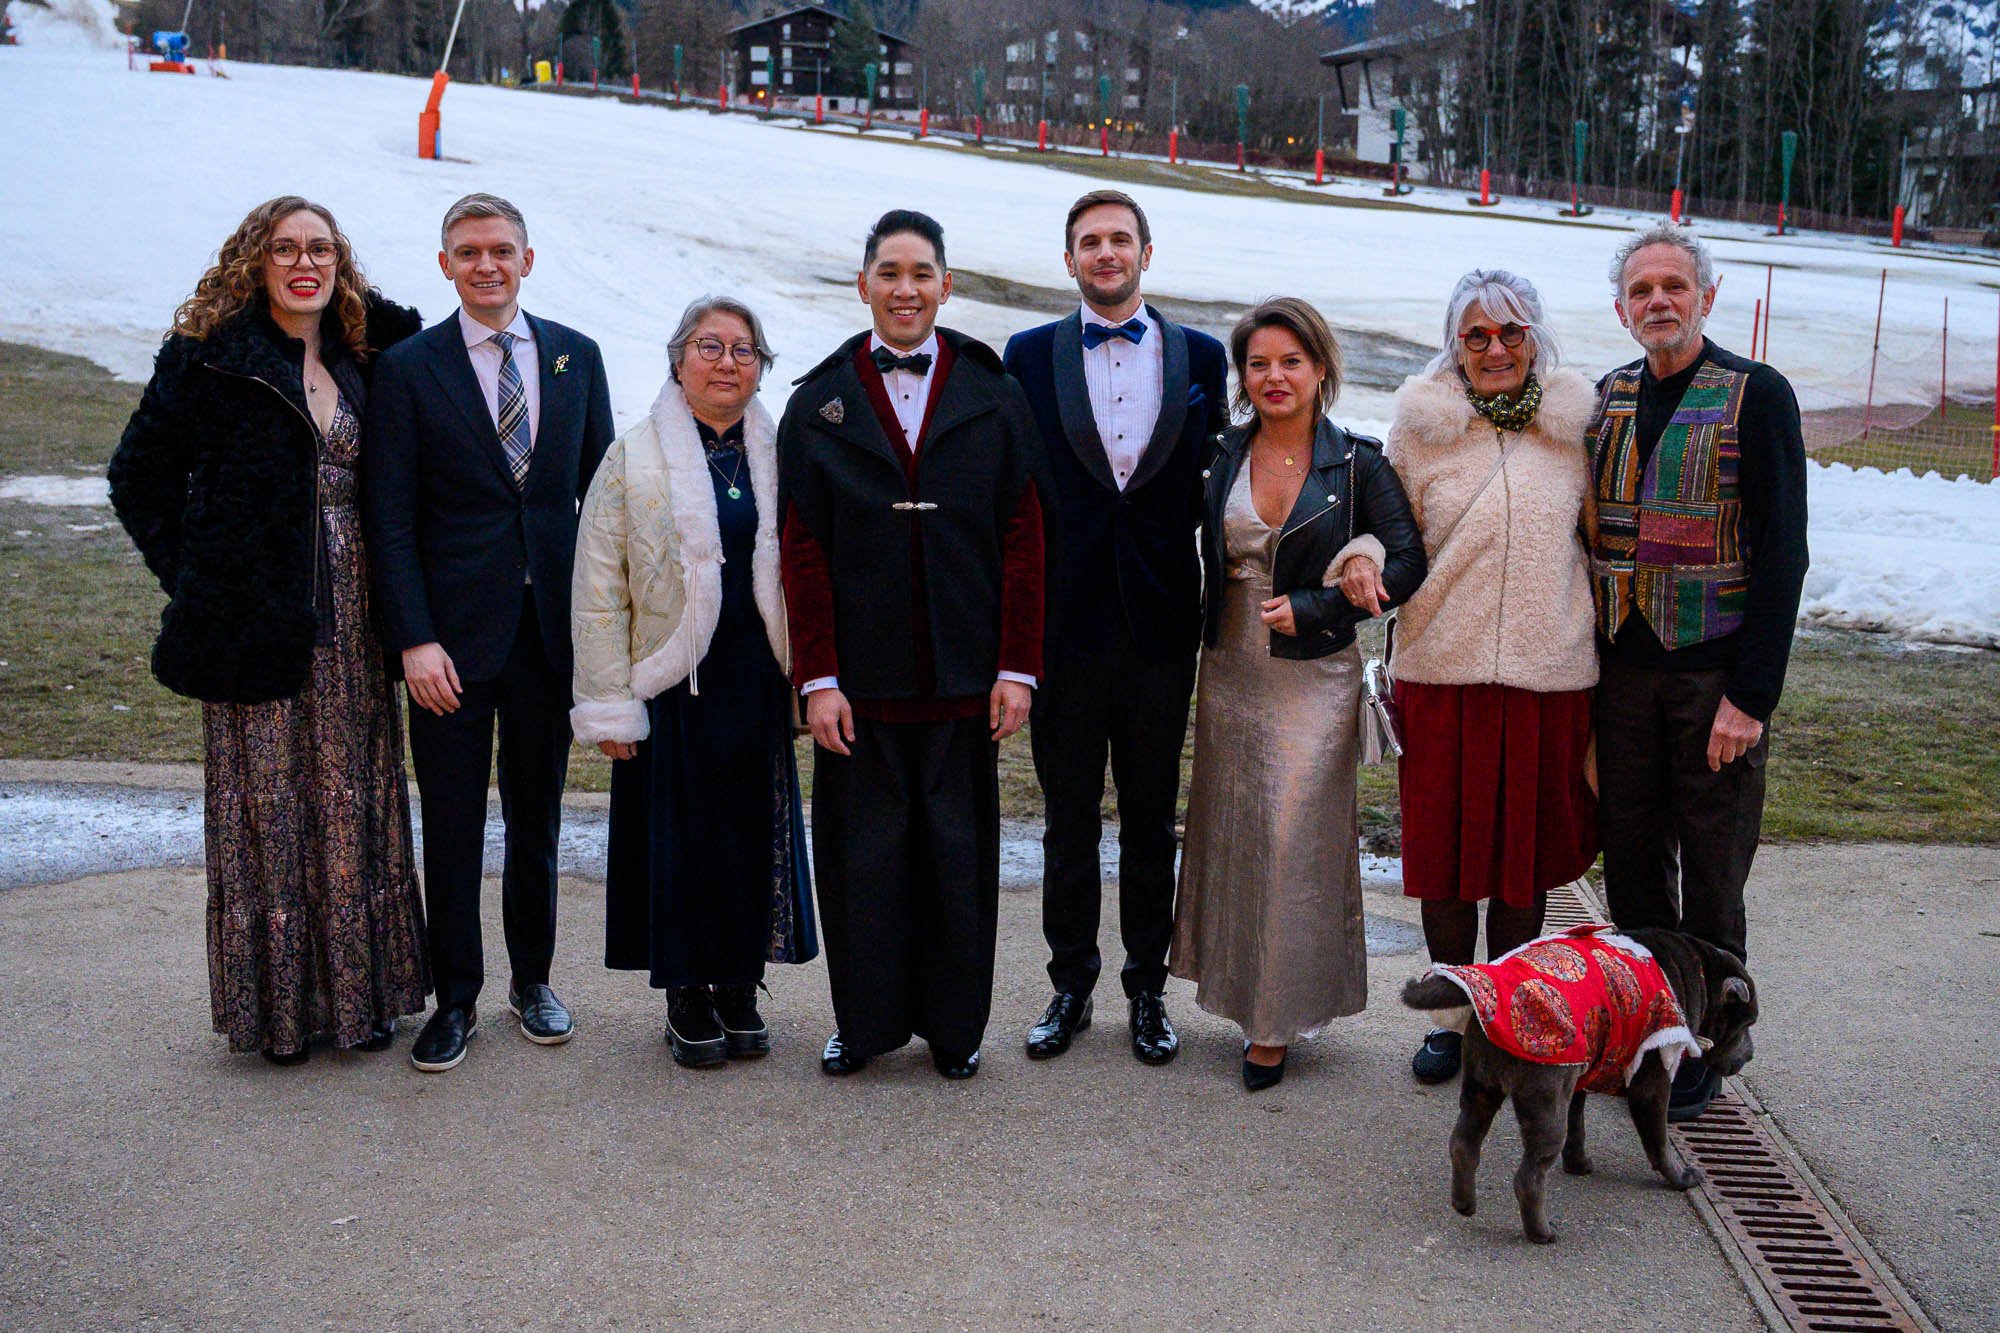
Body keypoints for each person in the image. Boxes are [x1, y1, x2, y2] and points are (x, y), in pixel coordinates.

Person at [108, 195, 428, 1064]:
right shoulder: (209, 357)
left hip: (356, 621)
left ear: (339, 262)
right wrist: (203, 582)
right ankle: (281, 1016)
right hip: (254, 625)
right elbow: (136, 477)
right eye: (285, 248)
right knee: (270, 814)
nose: (304, 263)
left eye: (320, 249)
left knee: (354, 800)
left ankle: (362, 1003)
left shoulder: (370, 351)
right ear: (256, 261)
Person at [779, 209, 1051, 1081]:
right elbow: (801, 550)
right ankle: (862, 1024)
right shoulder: (818, 404)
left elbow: (1024, 536)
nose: (906, 289)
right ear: (863, 284)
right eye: (889, 273)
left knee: (957, 861)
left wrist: (1016, 666)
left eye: (921, 273)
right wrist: (819, 677)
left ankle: (954, 1027)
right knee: (862, 861)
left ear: (946, 284)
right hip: (859, 684)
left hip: (966, 674)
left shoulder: (992, 394)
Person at [363, 193, 615, 1073]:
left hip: (548, 637)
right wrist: (413, 638)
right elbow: (389, 519)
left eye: (501, 249)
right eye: (468, 252)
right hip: (449, 647)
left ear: (527, 260)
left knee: (536, 818)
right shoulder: (408, 369)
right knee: (453, 823)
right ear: (446, 265)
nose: (486, 265)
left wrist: (603, 635)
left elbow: (602, 506)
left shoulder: (577, 357)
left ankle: (532, 979)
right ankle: (456, 996)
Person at [1171, 297, 1425, 1091]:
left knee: (1293, 839)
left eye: (1290, 361)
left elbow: (1408, 562)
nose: (1273, 376)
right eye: (1258, 364)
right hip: (1229, 667)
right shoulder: (1223, 451)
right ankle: (1242, 995)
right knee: (1238, 833)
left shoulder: (1357, 463)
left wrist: (1322, 602)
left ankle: (1277, 1021)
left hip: (1314, 671)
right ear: (1242, 376)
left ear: (1320, 368)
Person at [1001, 190, 1229, 1066]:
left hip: (1163, 623)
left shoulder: (1203, 354)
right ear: (1069, 260)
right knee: (1067, 818)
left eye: (1120, 239)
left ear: (1145, 253)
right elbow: (1012, 490)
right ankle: (1070, 985)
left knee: (1149, 818)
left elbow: (1224, 481)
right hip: (1063, 625)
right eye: (1090, 242)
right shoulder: (1027, 355)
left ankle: (1146, 989)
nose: (1106, 253)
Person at [1588, 221, 1807, 1121]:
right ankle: (1647, 1029)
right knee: (1635, 867)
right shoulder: (1607, 396)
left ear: (1707, 298)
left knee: (1714, 873)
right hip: (1622, 676)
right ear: (1621, 309)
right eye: (1641, 291)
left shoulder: (1756, 394)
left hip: (1713, 676)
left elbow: (1784, 552)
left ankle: (1713, 1039)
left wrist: (1750, 697)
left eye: (1674, 286)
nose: (1658, 302)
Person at [570, 296, 817, 1068]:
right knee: (682, 842)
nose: (726, 362)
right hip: (672, 684)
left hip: (755, 682)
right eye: (709, 346)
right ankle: (686, 993)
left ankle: (739, 985)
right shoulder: (632, 456)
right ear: (678, 360)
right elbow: (598, 585)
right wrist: (608, 701)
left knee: (746, 838)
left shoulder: (782, 454)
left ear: (761, 369)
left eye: (744, 350)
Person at [1374, 270, 1600, 1086]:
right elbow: (1387, 538)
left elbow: (1600, 540)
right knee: (1445, 859)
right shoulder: (1420, 433)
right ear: (1455, 344)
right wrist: (1359, 559)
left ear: (1535, 337)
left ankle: (1506, 1016)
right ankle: (1449, 1019)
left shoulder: (1575, 431)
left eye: (1511, 332)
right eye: (1477, 335)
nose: (1495, 348)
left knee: (1520, 861)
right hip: (1443, 670)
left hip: (1547, 674)